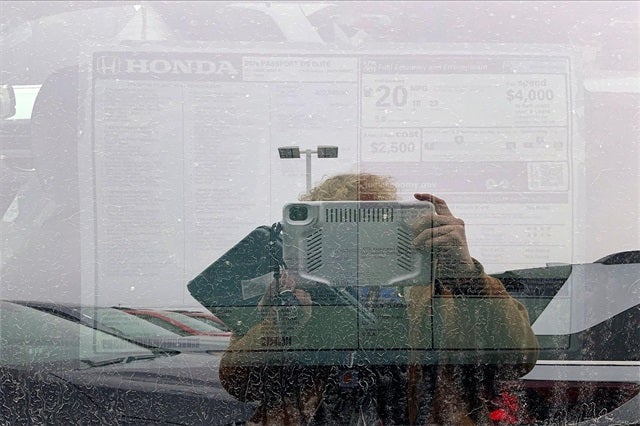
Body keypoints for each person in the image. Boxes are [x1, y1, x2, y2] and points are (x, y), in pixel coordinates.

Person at [219, 173, 539, 425]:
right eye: (343, 227)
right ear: (314, 236)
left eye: (376, 221)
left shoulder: (442, 289)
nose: (360, 240)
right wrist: (279, 326)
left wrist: (467, 275)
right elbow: (241, 385)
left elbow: (517, 359)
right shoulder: (292, 295)